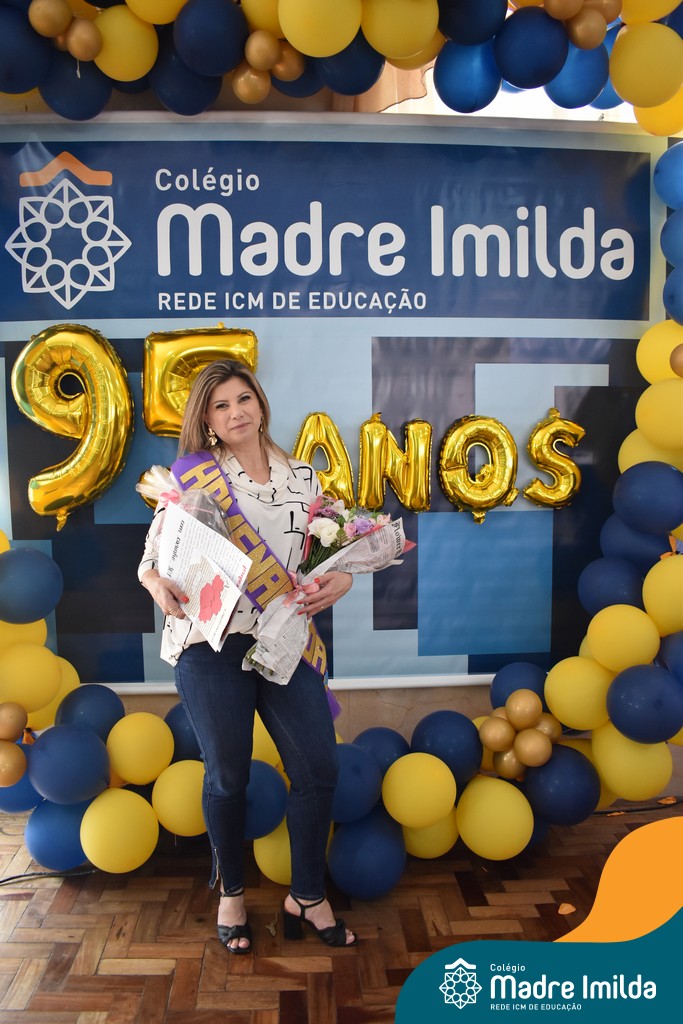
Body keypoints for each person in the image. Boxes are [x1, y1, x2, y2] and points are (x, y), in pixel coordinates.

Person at [138, 359, 356, 954]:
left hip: (284, 641)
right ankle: (231, 892)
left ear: (260, 403)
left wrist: (343, 580)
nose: (235, 413)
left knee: (318, 769)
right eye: (220, 406)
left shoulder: (304, 477)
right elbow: (152, 558)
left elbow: (330, 554)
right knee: (228, 775)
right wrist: (157, 585)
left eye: (243, 399)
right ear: (207, 420)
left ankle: (306, 895)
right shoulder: (194, 477)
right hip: (211, 643)